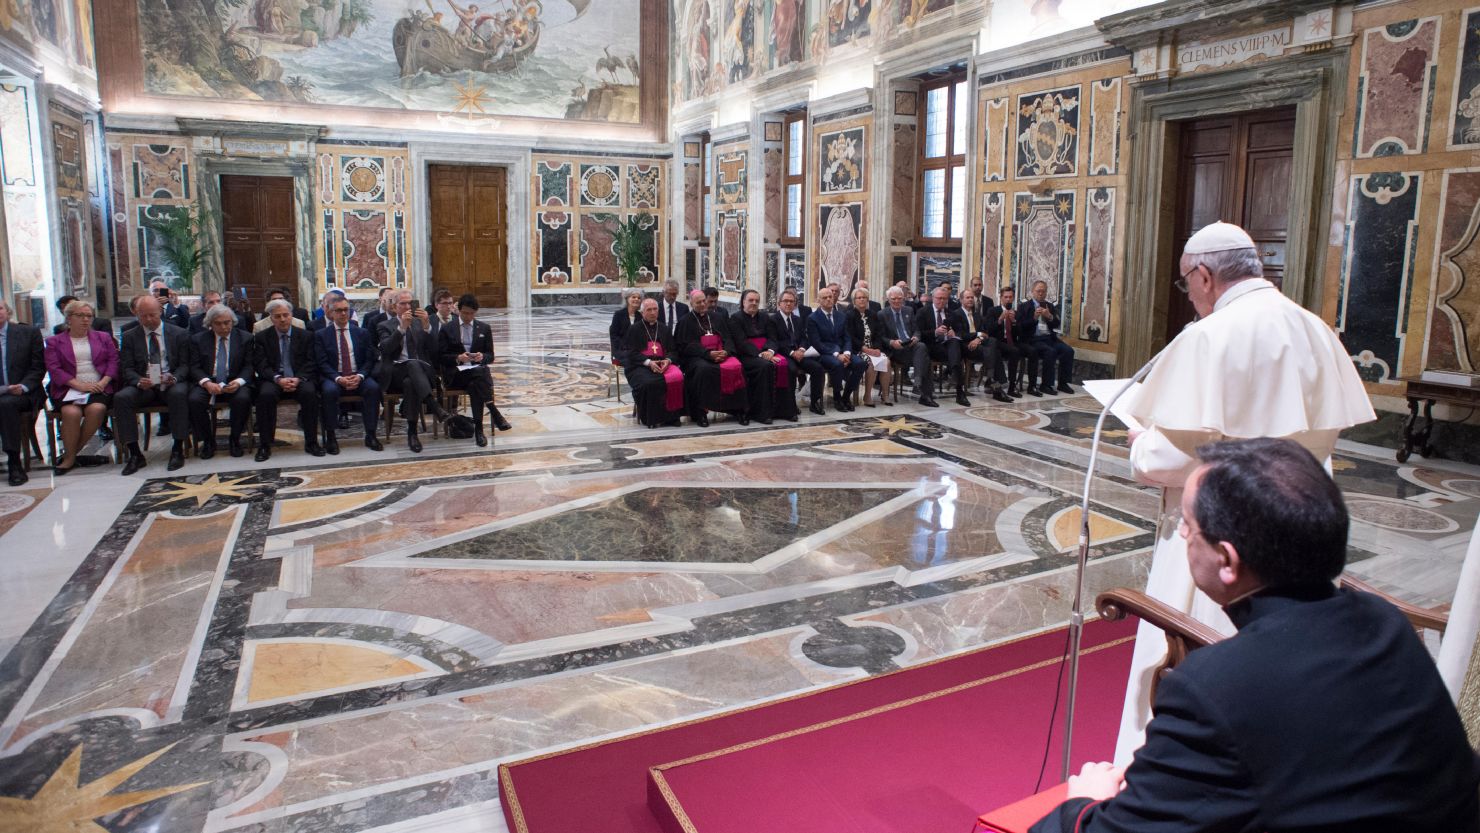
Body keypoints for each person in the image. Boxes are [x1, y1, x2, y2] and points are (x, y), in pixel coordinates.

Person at [1031, 438, 1480, 833]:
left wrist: (1082, 799)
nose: (1183, 533)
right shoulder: (1383, 621)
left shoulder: (1213, 687)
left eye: (1188, 525)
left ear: (1227, 559)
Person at [1112, 221, 1378, 762]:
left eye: (1187, 283)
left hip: (1221, 542)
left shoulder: (1209, 336)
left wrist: (1141, 442)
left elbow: (1171, 459)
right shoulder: (1311, 327)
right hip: (1301, 538)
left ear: (1205, 275)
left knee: (1191, 672)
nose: (1189, 297)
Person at [113, 294, 193, 474]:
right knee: (121, 398)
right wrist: (138, 380)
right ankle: (135, 453)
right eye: (143, 315)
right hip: (144, 385)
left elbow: (185, 365)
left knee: (179, 394)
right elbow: (126, 367)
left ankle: (177, 448)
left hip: (169, 382)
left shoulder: (178, 333)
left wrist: (173, 377)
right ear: (136, 314)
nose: (148, 319)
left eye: (152, 315)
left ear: (160, 312)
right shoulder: (129, 336)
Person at [44, 301, 117, 475]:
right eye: (80, 316)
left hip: (99, 386)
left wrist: (103, 382)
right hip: (68, 387)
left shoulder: (103, 337)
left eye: (88, 316)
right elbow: (54, 368)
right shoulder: (54, 341)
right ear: (69, 318)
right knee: (71, 413)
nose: (85, 320)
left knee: (97, 409)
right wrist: (79, 385)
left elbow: (113, 361)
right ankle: (71, 457)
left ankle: (70, 455)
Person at [252, 299, 325, 462]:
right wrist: (278, 379)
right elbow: (261, 364)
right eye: (277, 316)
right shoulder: (262, 337)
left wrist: (298, 378)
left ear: (291, 315)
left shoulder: (305, 336)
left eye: (286, 315)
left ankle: (311, 442)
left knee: (310, 393)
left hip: (299, 378)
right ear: (271, 318)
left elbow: (311, 361)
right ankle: (265, 444)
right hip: (274, 379)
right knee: (265, 396)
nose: (282, 319)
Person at [377, 289, 449, 453]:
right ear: (395, 307)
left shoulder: (420, 323)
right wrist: (401, 329)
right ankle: (432, 406)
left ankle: (412, 433)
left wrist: (427, 327)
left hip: (422, 372)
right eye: (403, 304)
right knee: (411, 368)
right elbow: (386, 350)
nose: (408, 306)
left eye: (410, 303)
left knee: (412, 378)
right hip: (396, 373)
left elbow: (434, 350)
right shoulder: (384, 325)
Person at [316, 294, 384, 454]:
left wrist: (360, 376)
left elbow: (369, 360)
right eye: (338, 310)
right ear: (331, 313)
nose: (343, 314)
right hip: (334, 376)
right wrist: (338, 378)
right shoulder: (321, 335)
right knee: (329, 391)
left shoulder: (361, 333)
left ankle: (371, 435)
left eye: (346, 310)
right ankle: (331, 437)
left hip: (357, 375)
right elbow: (322, 363)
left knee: (373, 388)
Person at [438, 293, 509, 445]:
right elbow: (441, 357)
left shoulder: (484, 328)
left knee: (475, 383)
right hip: (456, 375)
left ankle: (479, 430)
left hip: (475, 375)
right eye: (464, 313)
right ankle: (493, 411)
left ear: (475, 312)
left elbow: (491, 356)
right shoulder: (447, 329)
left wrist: (481, 356)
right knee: (480, 375)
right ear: (459, 311)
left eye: (471, 313)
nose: (467, 317)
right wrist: (458, 357)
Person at [188, 304, 254, 460]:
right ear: (210, 324)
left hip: (234, 380)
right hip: (208, 381)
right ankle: (208, 441)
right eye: (218, 323)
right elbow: (194, 367)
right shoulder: (198, 340)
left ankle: (235, 439)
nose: (224, 327)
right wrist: (206, 383)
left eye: (227, 322)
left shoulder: (245, 338)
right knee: (194, 400)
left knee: (243, 398)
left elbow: (249, 365)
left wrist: (238, 382)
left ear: (232, 321)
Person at [675, 290, 747, 427]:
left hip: (721, 354)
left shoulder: (717, 317)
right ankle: (701, 412)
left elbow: (728, 337)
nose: (703, 304)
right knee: (704, 370)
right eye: (698, 302)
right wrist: (707, 354)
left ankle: (738, 409)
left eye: (704, 301)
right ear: (691, 303)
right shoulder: (685, 321)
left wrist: (726, 351)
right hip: (697, 358)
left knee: (737, 367)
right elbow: (685, 346)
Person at [0, 299, 45, 486]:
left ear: (7, 311)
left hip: (24, 394)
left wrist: (23, 386)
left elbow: (38, 368)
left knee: (6, 404)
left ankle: (14, 461)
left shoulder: (28, 333)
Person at [623, 298, 686, 428]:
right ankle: (651, 418)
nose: (652, 312)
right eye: (649, 310)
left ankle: (672, 417)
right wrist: (648, 362)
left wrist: (667, 361)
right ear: (642, 312)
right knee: (649, 383)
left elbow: (673, 351)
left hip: (663, 365)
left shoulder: (664, 329)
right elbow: (631, 353)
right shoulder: (634, 329)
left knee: (678, 378)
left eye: (655, 309)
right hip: (639, 366)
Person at [806, 285, 862, 414]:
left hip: (843, 350)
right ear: (819, 300)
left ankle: (846, 396)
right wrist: (837, 354)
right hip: (824, 353)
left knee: (860, 364)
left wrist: (847, 352)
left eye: (830, 297)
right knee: (837, 364)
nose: (828, 300)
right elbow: (817, 343)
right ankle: (837, 397)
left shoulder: (841, 316)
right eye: (824, 298)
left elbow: (847, 337)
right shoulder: (813, 318)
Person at [726, 289, 778, 425]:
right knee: (765, 366)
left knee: (785, 366)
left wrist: (770, 351)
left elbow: (773, 337)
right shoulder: (735, 318)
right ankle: (761, 413)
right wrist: (761, 354)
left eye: (756, 301)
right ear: (743, 302)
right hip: (746, 356)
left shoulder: (765, 317)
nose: (754, 303)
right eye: (750, 300)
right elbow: (741, 342)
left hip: (766, 353)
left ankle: (782, 410)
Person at [916, 285, 971, 407]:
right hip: (931, 346)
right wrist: (935, 332)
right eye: (939, 298)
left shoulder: (952, 313)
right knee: (956, 355)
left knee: (955, 343)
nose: (942, 301)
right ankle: (959, 391)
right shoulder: (923, 312)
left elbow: (961, 332)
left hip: (948, 346)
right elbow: (919, 333)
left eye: (945, 299)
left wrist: (954, 333)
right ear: (933, 298)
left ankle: (957, 385)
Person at [1018, 279, 1074, 395]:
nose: (1041, 294)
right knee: (1050, 352)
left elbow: (1056, 324)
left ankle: (1063, 383)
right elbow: (1021, 327)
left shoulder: (1049, 306)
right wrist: (1033, 318)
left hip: (1049, 338)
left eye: (1043, 291)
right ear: (1032, 292)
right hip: (1033, 339)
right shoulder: (1024, 307)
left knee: (1068, 351)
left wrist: (1050, 317)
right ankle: (1046, 385)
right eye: (1038, 291)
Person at [959, 289, 1012, 403]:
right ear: (961, 299)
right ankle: (994, 383)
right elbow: (960, 334)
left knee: (992, 342)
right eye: (967, 297)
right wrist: (976, 336)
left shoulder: (977, 315)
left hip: (979, 344)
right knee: (995, 352)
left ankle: (992, 379)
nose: (970, 299)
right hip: (966, 346)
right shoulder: (956, 314)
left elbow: (985, 332)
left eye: (972, 297)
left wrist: (978, 339)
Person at [767, 289, 816, 405]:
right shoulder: (773, 319)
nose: (788, 304)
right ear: (779, 304)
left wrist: (801, 349)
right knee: (791, 370)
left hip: (800, 354)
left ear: (795, 304)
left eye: (791, 301)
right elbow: (775, 341)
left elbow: (804, 338)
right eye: (785, 301)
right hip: (785, 354)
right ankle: (790, 404)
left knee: (817, 368)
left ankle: (815, 402)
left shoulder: (797, 320)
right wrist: (792, 353)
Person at [882, 285, 930, 403]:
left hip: (910, 345)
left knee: (922, 346)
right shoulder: (882, 314)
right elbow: (880, 337)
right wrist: (892, 342)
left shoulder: (908, 310)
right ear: (888, 300)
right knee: (925, 358)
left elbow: (916, 329)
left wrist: (916, 337)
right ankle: (923, 389)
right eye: (893, 299)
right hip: (895, 349)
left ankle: (917, 383)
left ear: (903, 298)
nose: (897, 301)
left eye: (899, 298)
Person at [845, 286, 891, 407]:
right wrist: (864, 348)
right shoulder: (849, 315)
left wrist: (876, 348)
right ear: (854, 300)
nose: (862, 300)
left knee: (886, 361)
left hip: (873, 349)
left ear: (868, 300)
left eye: (864, 298)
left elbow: (878, 334)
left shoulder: (873, 315)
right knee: (871, 363)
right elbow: (850, 336)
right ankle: (867, 395)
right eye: (859, 298)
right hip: (858, 350)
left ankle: (885, 395)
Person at [986, 285, 1023, 398]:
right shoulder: (993, 310)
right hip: (997, 342)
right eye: (1006, 297)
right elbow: (989, 330)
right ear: (1001, 298)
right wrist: (1000, 320)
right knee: (1014, 351)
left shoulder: (1016, 312)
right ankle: (1009, 385)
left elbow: (1020, 333)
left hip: (1011, 341)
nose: (1008, 299)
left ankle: (1013, 385)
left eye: (1010, 297)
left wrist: (1014, 322)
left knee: (1024, 350)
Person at [609, 289, 643, 367]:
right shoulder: (619, 315)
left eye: (639, 298)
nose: (636, 299)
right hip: (621, 349)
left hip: (636, 350)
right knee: (631, 362)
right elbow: (614, 335)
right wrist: (625, 347)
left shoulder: (641, 316)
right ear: (627, 299)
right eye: (633, 297)